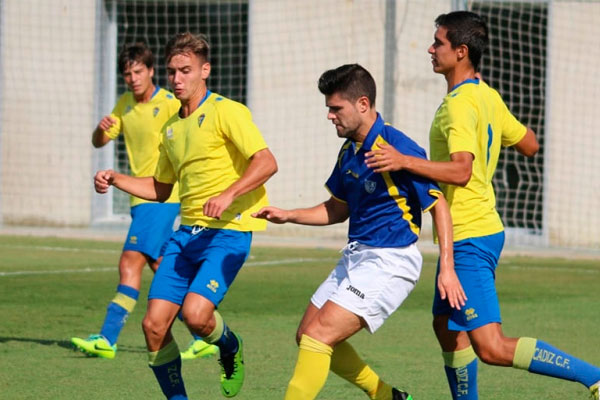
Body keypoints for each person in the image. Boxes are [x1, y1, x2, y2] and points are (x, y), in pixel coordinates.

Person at [364, 11, 600, 400]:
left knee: (490, 346)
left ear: (460, 52)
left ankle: (593, 377)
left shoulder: (460, 105)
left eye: (437, 42)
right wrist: (489, 111)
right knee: (447, 328)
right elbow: (530, 144)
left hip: (470, 233)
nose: (430, 48)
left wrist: (403, 160)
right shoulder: (484, 95)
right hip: (474, 230)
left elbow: (460, 171)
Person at [253, 63, 466, 400]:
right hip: (356, 257)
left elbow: (438, 205)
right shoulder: (349, 150)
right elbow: (337, 209)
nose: (329, 116)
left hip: (390, 262)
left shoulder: (396, 146)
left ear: (363, 104)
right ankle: (385, 396)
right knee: (306, 334)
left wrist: (448, 269)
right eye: (328, 108)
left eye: (336, 108)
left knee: (318, 336)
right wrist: (288, 214)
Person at [94, 32, 277, 399]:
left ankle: (230, 347)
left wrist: (229, 194)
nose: (177, 79)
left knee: (195, 315)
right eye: (172, 71)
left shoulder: (228, 111)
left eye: (186, 71)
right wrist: (117, 179)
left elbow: (266, 162)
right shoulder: (172, 128)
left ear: (204, 70)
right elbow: (161, 188)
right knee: (153, 326)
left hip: (229, 232)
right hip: (187, 234)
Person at [71, 42, 217, 361]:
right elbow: (99, 142)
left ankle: (107, 338)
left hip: (160, 198)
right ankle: (202, 332)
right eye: (127, 74)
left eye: (139, 72)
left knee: (129, 263)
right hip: (141, 200)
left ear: (151, 71)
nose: (133, 78)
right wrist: (100, 129)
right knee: (162, 267)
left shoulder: (168, 102)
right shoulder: (124, 103)